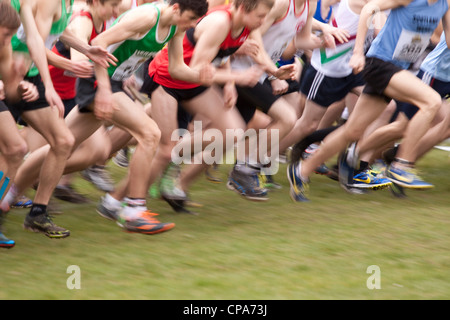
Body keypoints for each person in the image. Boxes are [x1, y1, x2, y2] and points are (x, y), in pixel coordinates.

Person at [11, 0, 210, 235]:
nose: (191, 26)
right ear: (176, 8)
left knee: (62, 143)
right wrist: (104, 88)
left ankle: (9, 194)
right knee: (150, 133)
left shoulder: (176, 28)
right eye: (190, 19)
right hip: (100, 79)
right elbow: (99, 43)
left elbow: (176, 68)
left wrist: (200, 75)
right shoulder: (147, 17)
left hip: (110, 82)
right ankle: (133, 210)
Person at [287, 0, 450, 202]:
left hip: (397, 67)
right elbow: (368, 9)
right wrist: (357, 53)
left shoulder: (445, 5)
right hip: (379, 63)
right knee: (431, 101)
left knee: (353, 131)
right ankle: (401, 165)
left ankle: (302, 170)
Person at [0, 1, 39, 248]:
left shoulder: (4, 47)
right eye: (5, 35)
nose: (8, 41)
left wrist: (21, 83)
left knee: (16, 149)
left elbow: (10, 92)